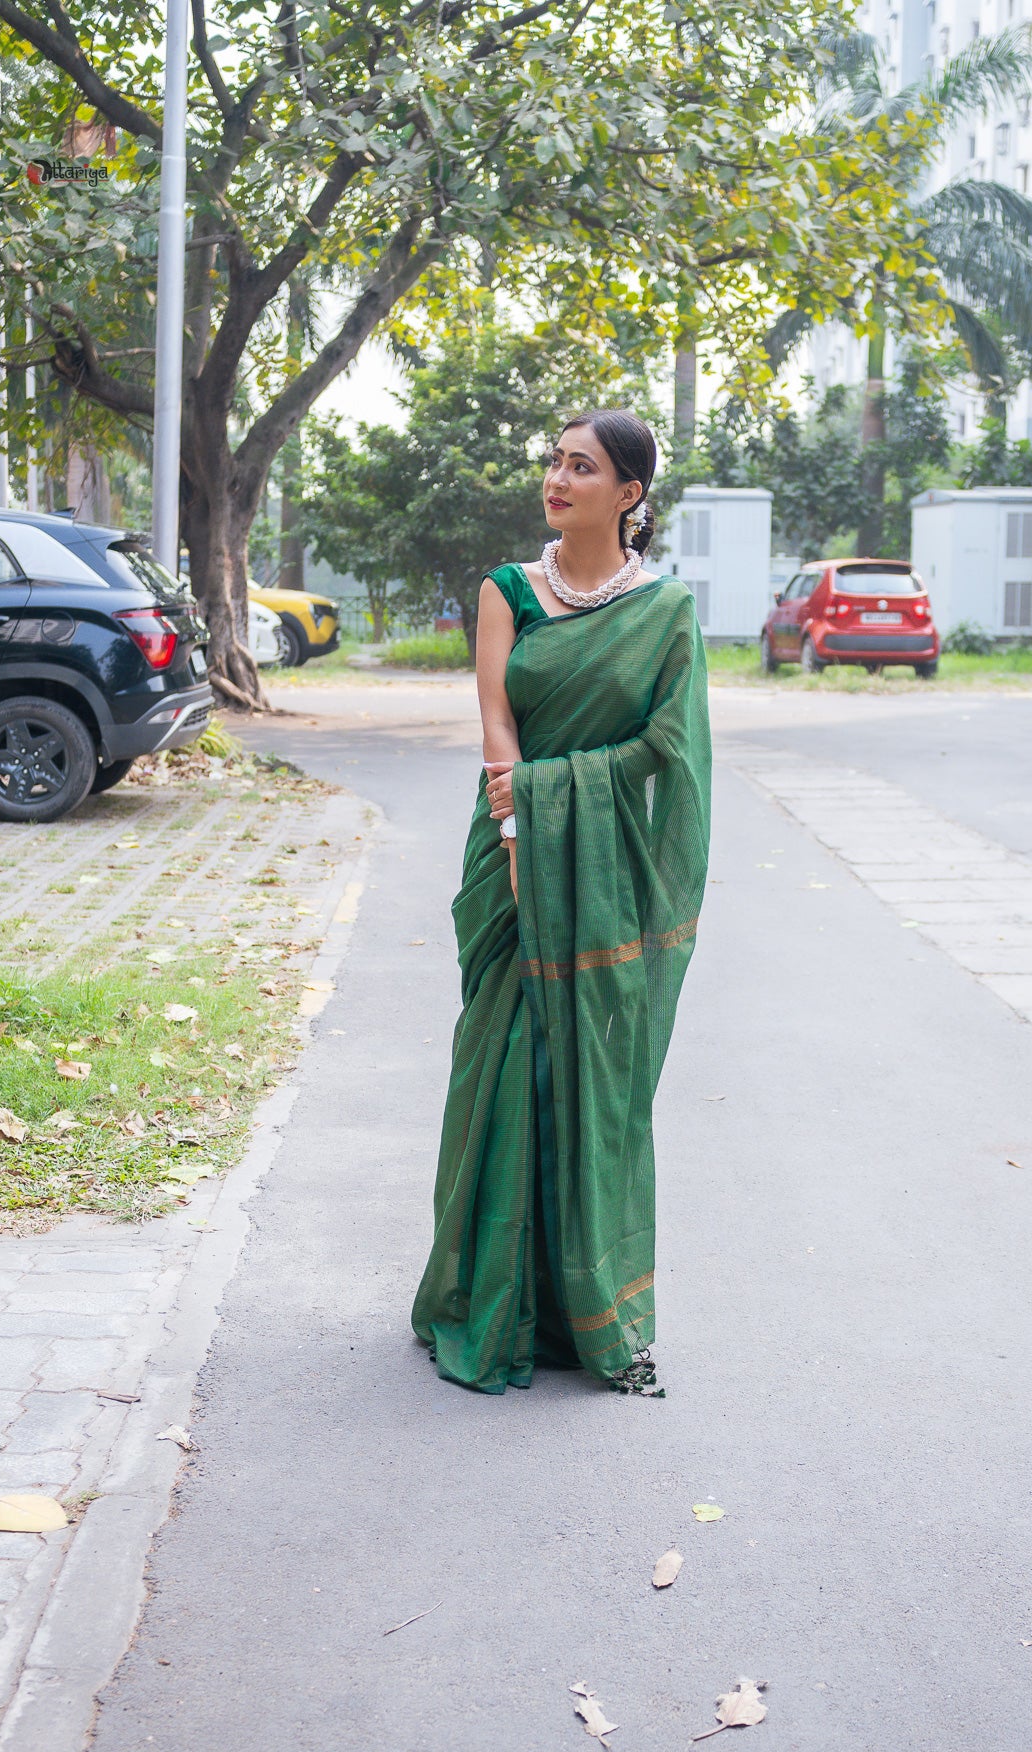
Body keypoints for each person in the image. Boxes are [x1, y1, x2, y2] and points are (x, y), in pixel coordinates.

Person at [411, 408, 712, 1394]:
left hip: (602, 872)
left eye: (580, 466)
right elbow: (497, 720)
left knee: (592, 1076)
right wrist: (516, 826)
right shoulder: (508, 591)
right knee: (501, 1061)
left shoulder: (666, 614)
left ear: (628, 494)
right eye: (553, 460)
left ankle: (591, 1306)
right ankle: (486, 1293)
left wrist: (561, 801)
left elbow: (675, 752)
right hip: (512, 852)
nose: (557, 477)